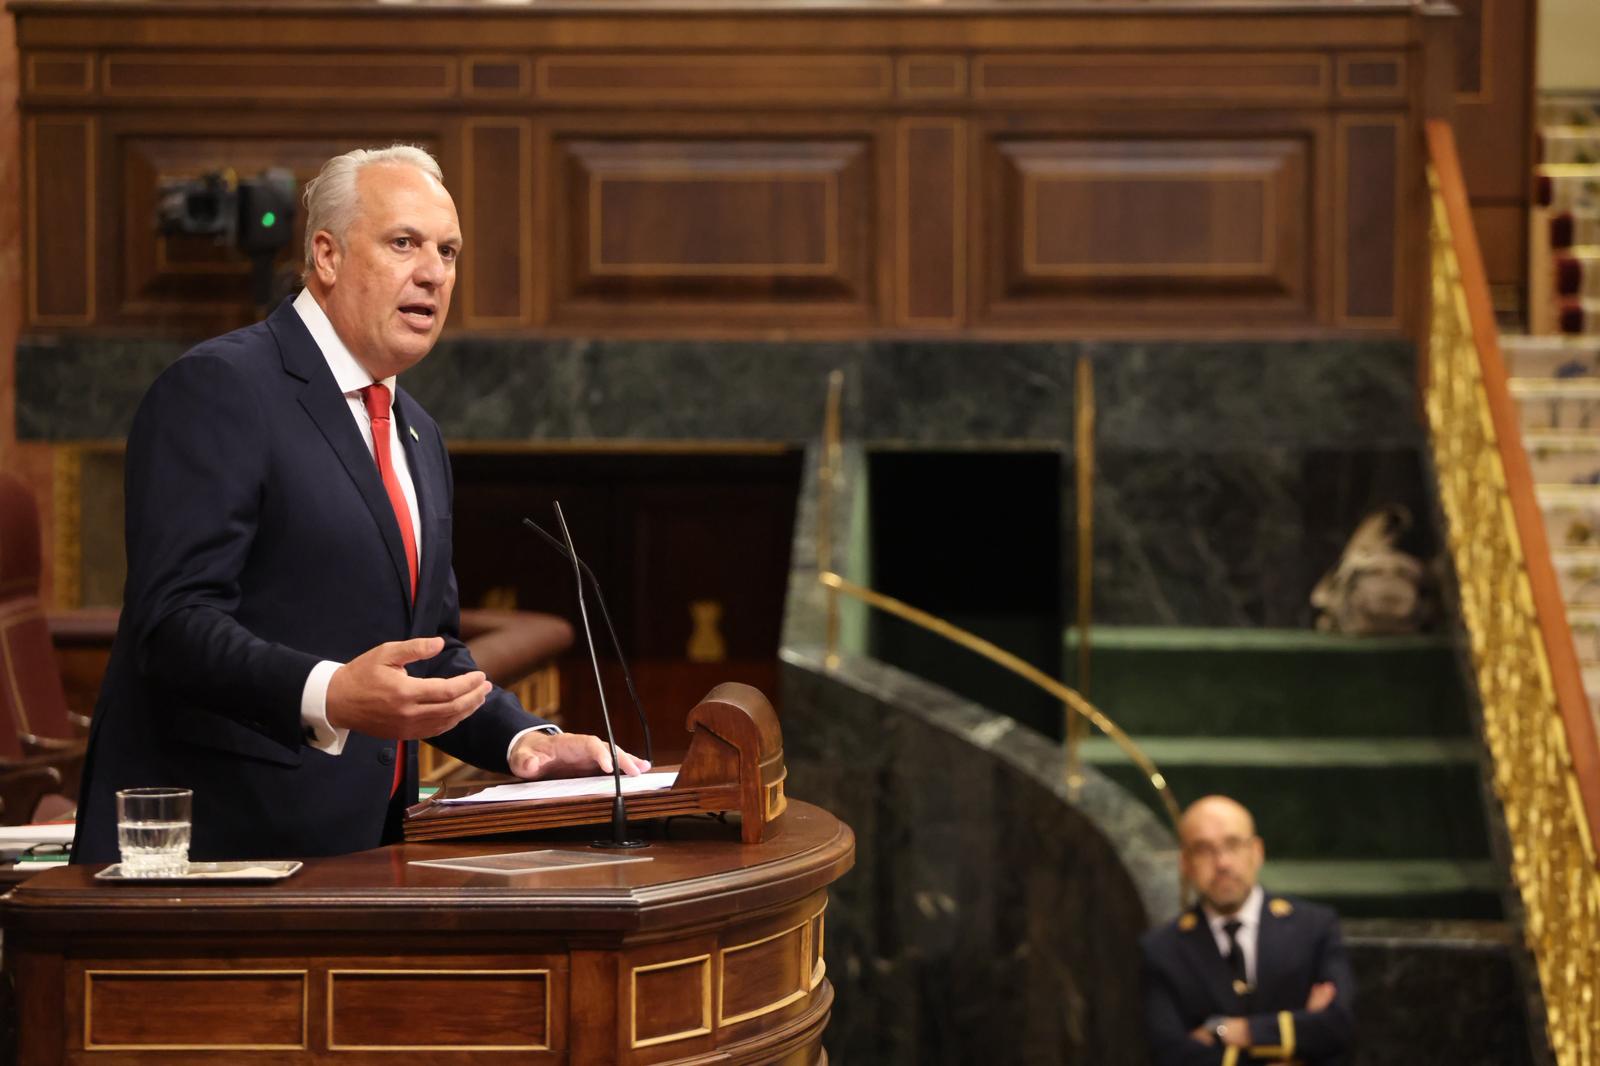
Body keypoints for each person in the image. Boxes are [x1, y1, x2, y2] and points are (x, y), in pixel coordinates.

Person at [72, 145, 647, 864]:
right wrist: (332, 695)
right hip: (219, 862)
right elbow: (173, 627)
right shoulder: (222, 389)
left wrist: (522, 740)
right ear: (327, 255)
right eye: (403, 243)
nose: (433, 273)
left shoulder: (417, 431)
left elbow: (427, 650)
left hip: (364, 860)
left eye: (448, 251)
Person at [1141, 795, 1355, 1066]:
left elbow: (1336, 1026)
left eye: (1233, 844)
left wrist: (1225, 1031)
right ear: (1185, 863)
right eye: (1204, 849)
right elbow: (1171, 1054)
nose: (1222, 863)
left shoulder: (1312, 927)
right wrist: (1295, 1038)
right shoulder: (1162, 949)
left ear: (1256, 851)